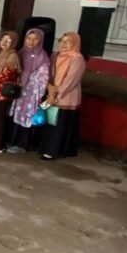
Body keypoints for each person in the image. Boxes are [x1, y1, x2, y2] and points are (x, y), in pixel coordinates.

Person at [41, 32, 85, 161]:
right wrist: (49, 87)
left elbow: (71, 80)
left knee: (60, 125)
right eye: (62, 41)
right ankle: (46, 148)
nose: (64, 44)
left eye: (68, 41)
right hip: (51, 94)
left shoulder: (77, 58)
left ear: (75, 44)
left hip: (66, 97)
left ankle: (54, 151)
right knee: (50, 123)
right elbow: (48, 73)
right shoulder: (55, 55)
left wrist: (56, 95)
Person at [8, 28, 51, 153]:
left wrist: (38, 93)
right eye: (29, 38)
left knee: (26, 117)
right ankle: (12, 141)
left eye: (35, 39)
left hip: (31, 93)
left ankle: (22, 145)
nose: (31, 41)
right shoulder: (21, 52)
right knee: (15, 115)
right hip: (19, 91)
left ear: (41, 40)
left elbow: (44, 77)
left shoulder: (42, 57)